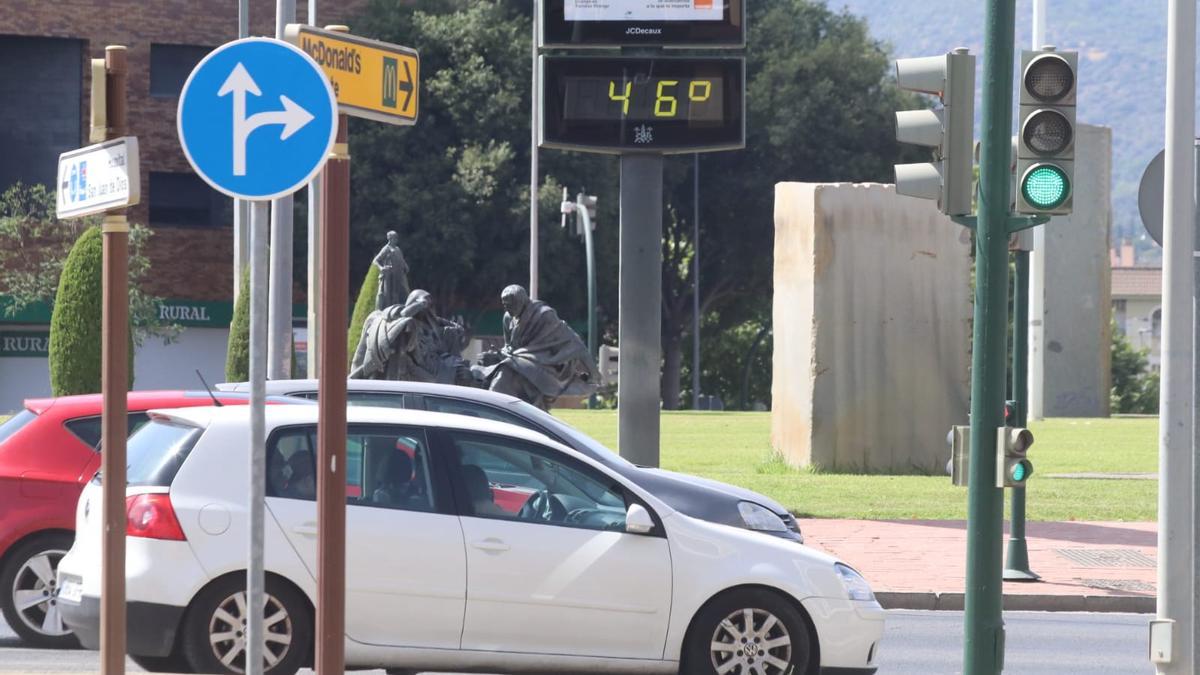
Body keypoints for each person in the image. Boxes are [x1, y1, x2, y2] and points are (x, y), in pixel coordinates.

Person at [475, 285, 599, 410]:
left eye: (512, 305)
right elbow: (509, 346)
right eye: (505, 305)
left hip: (548, 359)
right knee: (493, 367)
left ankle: (499, 407)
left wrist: (594, 373)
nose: (509, 309)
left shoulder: (544, 315)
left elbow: (571, 341)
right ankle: (499, 406)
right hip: (520, 359)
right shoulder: (508, 318)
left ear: (522, 301)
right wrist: (498, 354)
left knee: (507, 369)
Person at [373, 230, 410, 311]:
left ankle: (402, 308)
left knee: (404, 291)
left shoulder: (397, 249)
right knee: (388, 295)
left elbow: (401, 260)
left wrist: (405, 266)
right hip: (389, 275)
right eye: (394, 238)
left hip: (398, 274)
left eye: (396, 238)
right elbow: (375, 260)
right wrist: (381, 268)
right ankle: (386, 310)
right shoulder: (386, 249)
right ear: (389, 238)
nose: (396, 239)